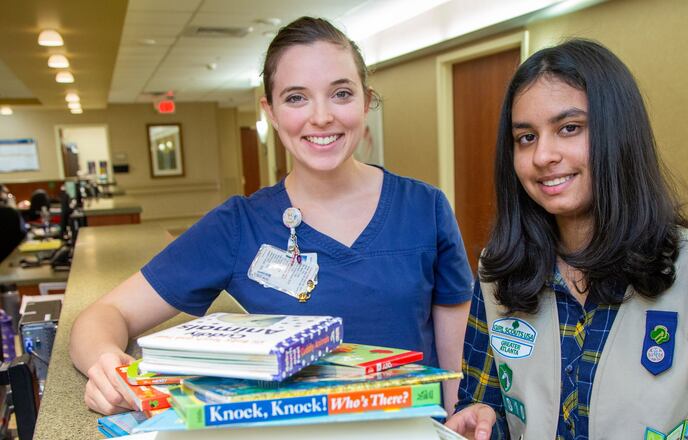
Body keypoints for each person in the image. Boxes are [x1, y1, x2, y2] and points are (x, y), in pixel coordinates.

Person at [70, 17, 473, 415]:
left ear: (366, 101)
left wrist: (460, 421)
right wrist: (104, 363)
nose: (321, 117)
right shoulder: (238, 226)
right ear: (272, 112)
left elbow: (457, 370)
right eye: (296, 97)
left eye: (341, 94)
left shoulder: (425, 208)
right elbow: (104, 315)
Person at [446, 39, 688, 439]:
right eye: (526, 137)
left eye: (569, 128)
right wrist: (479, 418)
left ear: (619, 134)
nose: (542, 156)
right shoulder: (497, 271)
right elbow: (485, 404)